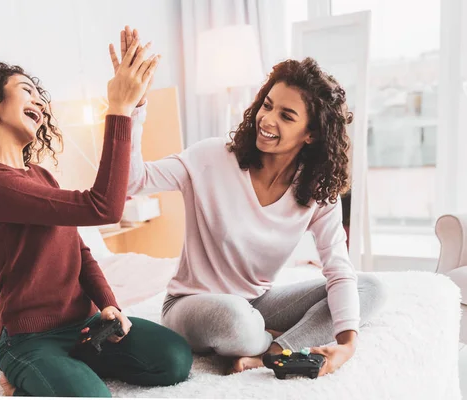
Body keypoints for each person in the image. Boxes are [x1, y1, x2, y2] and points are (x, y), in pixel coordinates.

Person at [114, 33, 386, 377]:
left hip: (257, 301)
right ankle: (262, 338)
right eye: (267, 105)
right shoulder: (211, 158)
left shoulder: (314, 190)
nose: (267, 119)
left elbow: (337, 268)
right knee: (236, 320)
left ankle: (272, 352)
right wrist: (132, 108)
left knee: (369, 289)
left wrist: (347, 345)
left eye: (287, 116)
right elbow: (133, 181)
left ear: (311, 134)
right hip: (191, 307)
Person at [0, 39, 192, 397]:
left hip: (85, 326)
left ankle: (68, 368)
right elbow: (103, 207)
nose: (38, 99)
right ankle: (23, 370)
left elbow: (79, 251)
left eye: (40, 94)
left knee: (175, 358)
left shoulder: (39, 176)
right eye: (26, 90)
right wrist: (119, 107)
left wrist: (109, 304)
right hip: (30, 338)